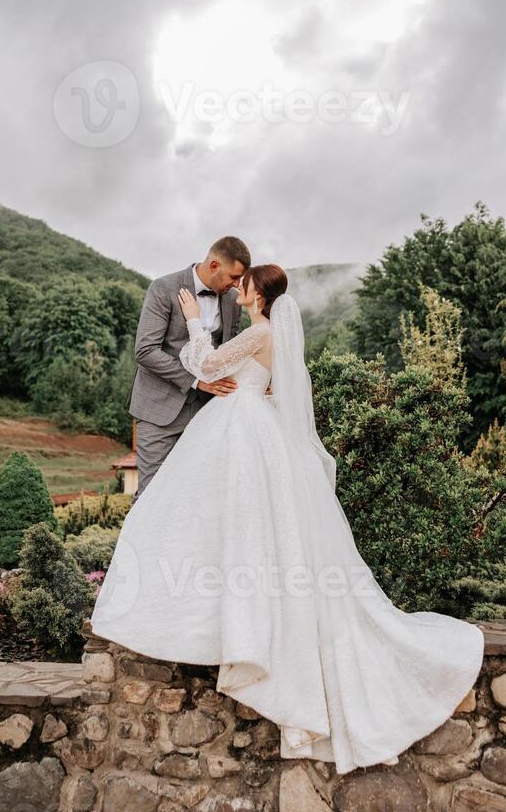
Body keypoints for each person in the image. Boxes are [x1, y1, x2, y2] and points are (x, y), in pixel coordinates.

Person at [92, 263, 485, 775]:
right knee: (248, 528)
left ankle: (230, 619)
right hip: (261, 429)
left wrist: (193, 319)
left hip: (240, 428)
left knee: (224, 522)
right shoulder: (275, 336)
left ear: (259, 293)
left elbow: (207, 367)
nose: (238, 289)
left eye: (244, 284)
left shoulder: (258, 331)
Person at [127, 236, 251, 497]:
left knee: (197, 496)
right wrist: (197, 381)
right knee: (152, 494)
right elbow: (146, 351)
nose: (236, 285)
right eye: (233, 277)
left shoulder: (231, 300)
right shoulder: (163, 288)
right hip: (159, 412)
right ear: (214, 265)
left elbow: (228, 351)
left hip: (208, 413)